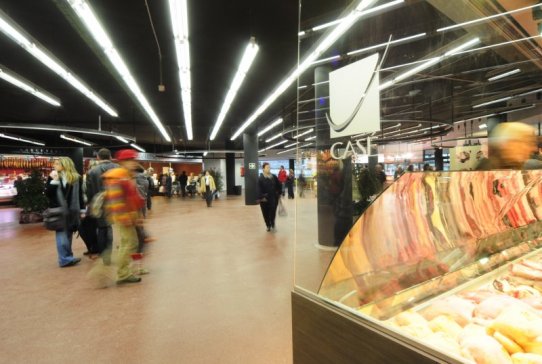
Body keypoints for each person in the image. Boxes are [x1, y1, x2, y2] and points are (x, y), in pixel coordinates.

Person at [103, 149, 145, 284]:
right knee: (129, 243)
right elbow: (115, 199)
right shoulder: (117, 176)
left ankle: (122, 271)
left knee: (128, 243)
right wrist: (123, 216)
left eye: (134, 160)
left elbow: (132, 197)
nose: (134, 163)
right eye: (131, 160)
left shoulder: (127, 175)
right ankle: (122, 273)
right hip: (123, 216)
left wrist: (137, 215)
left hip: (130, 215)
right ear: (123, 162)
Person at [45, 157, 84, 267]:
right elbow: (48, 194)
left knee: (69, 234)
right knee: (62, 234)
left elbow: (80, 195)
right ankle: (64, 259)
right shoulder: (53, 176)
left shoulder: (77, 178)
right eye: (55, 163)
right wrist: (54, 181)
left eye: (57, 163)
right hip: (58, 210)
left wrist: (82, 210)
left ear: (65, 164)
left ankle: (67, 256)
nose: (54, 166)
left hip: (72, 210)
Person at [86, 148, 118, 263]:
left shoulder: (92, 172)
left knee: (103, 228)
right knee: (117, 228)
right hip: (117, 202)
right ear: (110, 157)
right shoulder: (118, 168)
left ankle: (105, 255)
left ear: (98, 158)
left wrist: (90, 204)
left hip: (99, 203)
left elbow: (89, 192)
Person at [476, 122, 542, 170]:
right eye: (527, 142)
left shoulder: (528, 167)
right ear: (511, 144)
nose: (534, 148)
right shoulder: (485, 172)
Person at [258, 162, 281, 232]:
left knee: (272, 212)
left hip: (273, 198)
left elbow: (279, 185)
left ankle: (273, 224)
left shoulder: (273, 176)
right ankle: (268, 225)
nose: (269, 168)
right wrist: (262, 197)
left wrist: (279, 193)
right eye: (267, 167)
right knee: (265, 213)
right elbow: (258, 189)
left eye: (269, 167)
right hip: (264, 199)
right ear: (263, 169)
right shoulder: (260, 178)